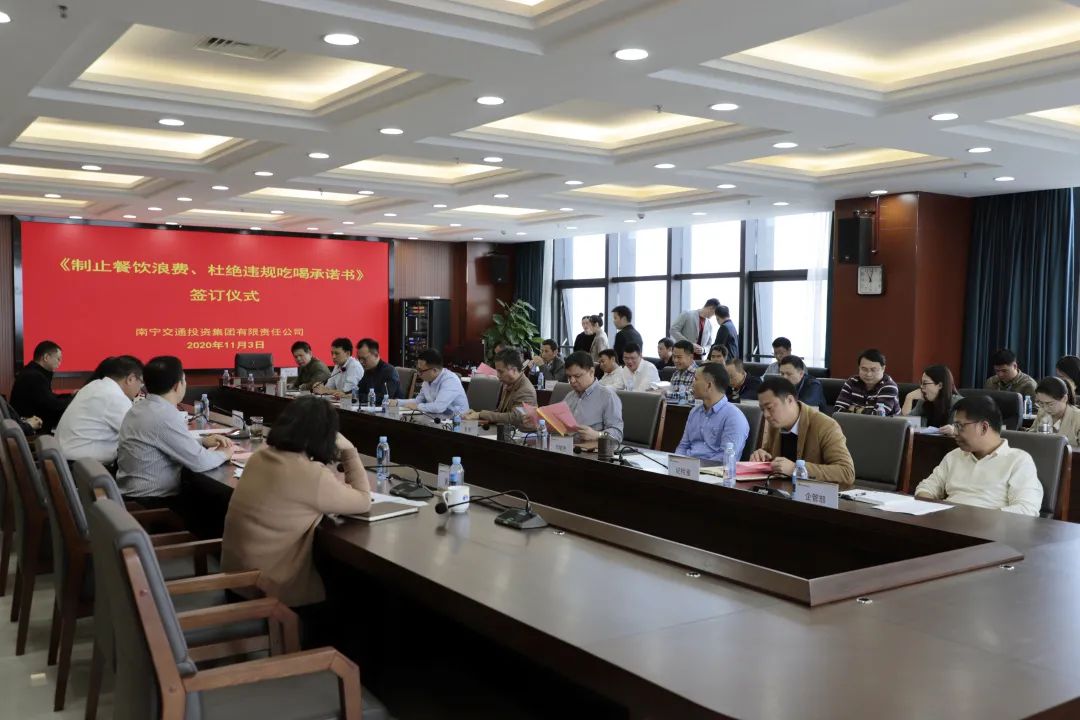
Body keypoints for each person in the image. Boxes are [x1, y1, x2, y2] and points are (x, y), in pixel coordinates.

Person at [222, 396, 372, 609]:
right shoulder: (311, 475)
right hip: (269, 593)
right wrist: (349, 452)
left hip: (235, 583)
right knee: (354, 597)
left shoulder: (259, 457)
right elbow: (364, 500)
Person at [116, 356, 233, 509]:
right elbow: (200, 462)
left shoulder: (140, 408)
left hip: (130, 496)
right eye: (184, 380)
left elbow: (162, 441)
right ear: (178, 385)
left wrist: (202, 442)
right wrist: (225, 453)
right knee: (216, 503)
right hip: (151, 503)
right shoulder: (164, 415)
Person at [914, 396, 1042, 516]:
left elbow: (1026, 510)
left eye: (959, 426)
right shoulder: (954, 456)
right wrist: (931, 510)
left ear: (984, 427)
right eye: (954, 426)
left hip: (989, 528)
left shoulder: (1018, 461)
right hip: (947, 524)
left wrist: (976, 519)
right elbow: (926, 488)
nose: (955, 432)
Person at [750, 376, 855, 487]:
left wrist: (796, 469)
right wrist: (762, 456)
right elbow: (773, 458)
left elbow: (846, 473)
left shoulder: (825, 426)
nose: (766, 415)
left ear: (789, 400)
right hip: (782, 491)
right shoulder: (775, 424)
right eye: (762, 409)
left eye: (770, 408)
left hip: (814, 493)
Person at [55, 355, 143, 464]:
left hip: (69, 461)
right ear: (131, 379)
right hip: (82, 467)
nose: (140, 388)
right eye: (141, 382)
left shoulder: (95, 385)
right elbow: (139, 435)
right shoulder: (114, 397)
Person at [676, 363, 750, 461]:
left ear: (709, 385)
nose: (692, 384)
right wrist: (676, 463)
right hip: (688, 466)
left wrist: (696, 467)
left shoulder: (734, 417)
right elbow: (683, 446)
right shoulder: (694, 412)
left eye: (696, 379)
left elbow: (725, 457)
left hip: (713, 469)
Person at [465, 349, 537, 428]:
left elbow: (514, 418)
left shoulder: (526, 390)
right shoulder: (508, 383)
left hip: (518, 433)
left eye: (501, 372)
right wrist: (477, 415)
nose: (498, 375)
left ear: (514, 370)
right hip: (505, 430)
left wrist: (480, 414)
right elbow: (501, 413)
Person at [562, 351, 623, 444]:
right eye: (569, 377)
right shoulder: (570, 396)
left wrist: (597, 435)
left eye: (577, 376)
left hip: (589, 449)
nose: (572, 381)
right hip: (566, 446)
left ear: (591, 372)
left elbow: (618, 434)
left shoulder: (607, 396)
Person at [11, 340, 71, 433]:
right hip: (32, 432)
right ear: (46, 357)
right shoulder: (34, 376)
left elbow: (49, 398)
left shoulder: (32, 372)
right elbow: (53, 405)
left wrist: (70, 395)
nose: (60, 362)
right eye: (58, 359)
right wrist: (74, 400)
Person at [394, 349, 468, 417]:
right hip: (436, 418)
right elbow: (418, 401)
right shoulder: (427, 380)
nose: (418, 373)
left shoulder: (450, 380)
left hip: (458, 421)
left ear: (434, 370)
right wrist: (397, 402)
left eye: (421, 371)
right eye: (417, 369)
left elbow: (438, 407)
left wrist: (418, 407)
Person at [834, 349, 901, 416]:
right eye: (864, 369)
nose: (868, 374)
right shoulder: (852, 382)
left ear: (883, 368)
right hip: (852, 422)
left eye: (873, 370)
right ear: (859, 367)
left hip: (887, 423)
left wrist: (854, 408)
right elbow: (837, 410)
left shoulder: (889, 386)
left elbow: (878, 416)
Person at [902, 364, 962, 435]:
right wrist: (909, 398)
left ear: (940, 385)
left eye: (925, 383)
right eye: (921, 383)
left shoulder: (958, 404)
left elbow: (965, 431)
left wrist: (954, 430)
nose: (921, 387)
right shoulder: (924, 401)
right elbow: (906, 424)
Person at [1028, 377, 1080, 446]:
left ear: (1064, 398)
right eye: (1041, 403)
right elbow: (1030, 437)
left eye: (1050, 404)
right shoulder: (1042, 412)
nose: (1045, 408)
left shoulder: (1077, 417)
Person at [355, 338, 402, 402]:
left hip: (391, 408)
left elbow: (384, 398)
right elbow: (359, 390)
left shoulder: (389, 371)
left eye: (364, 358)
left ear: (376, 355)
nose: (361, 362)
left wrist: (358, 397)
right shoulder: (368, 370)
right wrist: (351, 394)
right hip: (371, 407)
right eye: (359, 358)